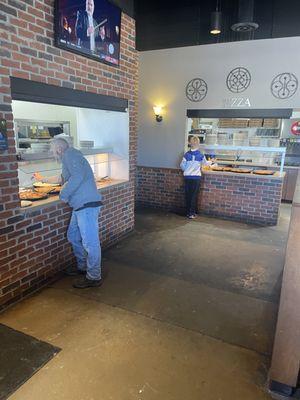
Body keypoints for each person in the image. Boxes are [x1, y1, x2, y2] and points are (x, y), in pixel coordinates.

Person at [34, 135, 103, 289]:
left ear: (59, 149)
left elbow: (77, 177)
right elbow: (63, 177)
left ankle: (94, 276)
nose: (53, 154)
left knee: (90, 243)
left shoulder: (70, 155)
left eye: (53, 151)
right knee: (72, 236)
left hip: (87, 205)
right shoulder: (70, 157)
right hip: (80, 205)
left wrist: (63, 194)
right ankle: (82, 267)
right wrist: (43, 179)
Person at [180, 136, 212, 219]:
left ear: (190, 143)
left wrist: (187, 170)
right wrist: (212, 162)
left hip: (187, 177)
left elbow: (182, 166)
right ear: (198, 144)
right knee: (194, 195)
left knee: (188, 195)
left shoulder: (186, 155)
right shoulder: (201, 155)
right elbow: (205, 164)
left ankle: (188, 212)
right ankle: (192, 213)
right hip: (196, 178)